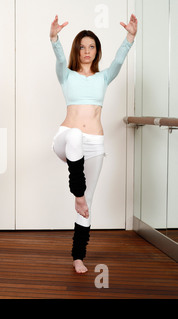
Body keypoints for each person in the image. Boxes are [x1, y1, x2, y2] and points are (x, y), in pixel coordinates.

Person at [50, 14, 137, 273]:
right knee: (75, 135)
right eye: (82, 47)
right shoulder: (66, 75)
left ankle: (78, 257)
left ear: (97, 51)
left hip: (95, 143)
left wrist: (130, 36)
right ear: (77, 50)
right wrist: (54, 38)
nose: (86, 51)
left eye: (91, 47)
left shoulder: (104, 77)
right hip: (66, 138)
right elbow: (58, 58)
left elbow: (120, 59)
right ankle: (77, 193)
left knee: (87, 204)